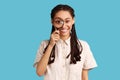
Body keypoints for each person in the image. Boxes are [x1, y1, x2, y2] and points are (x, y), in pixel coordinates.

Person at [33, 4, 97, 80]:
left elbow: (84, 77)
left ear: (73, 20)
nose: (63, 26)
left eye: (67, 21)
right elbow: (39, 72)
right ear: (52, 21)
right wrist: (50, 45)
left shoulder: (83, 46)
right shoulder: (44, 44)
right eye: (58, 21)